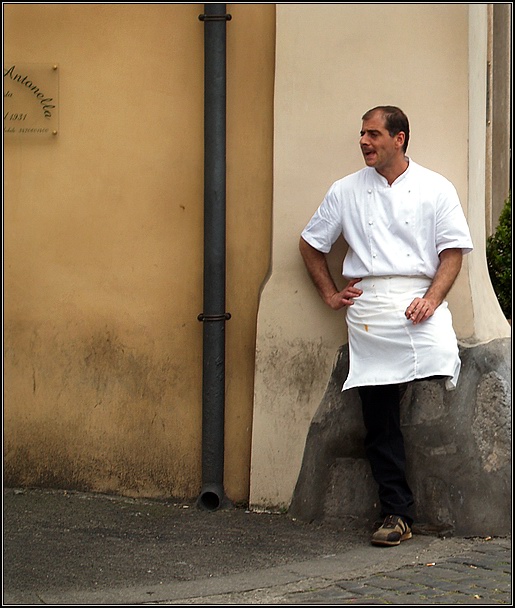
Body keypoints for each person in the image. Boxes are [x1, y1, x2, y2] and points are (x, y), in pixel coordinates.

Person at [299, 106, 473, 547]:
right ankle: (396, 511)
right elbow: (310, 243)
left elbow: (452, 251)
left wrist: (432, 300)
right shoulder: (345, 190)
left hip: (421, 299)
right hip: (371, 305)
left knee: (440, 365)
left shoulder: (436, 187)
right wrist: (330, 295)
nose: (363, 141)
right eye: (361, 133)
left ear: (399, 139)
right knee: (378, 410)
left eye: (373, 134)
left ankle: (456, 497)